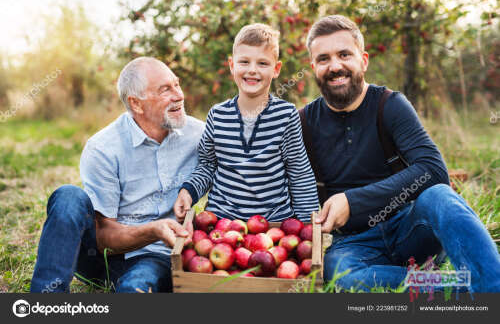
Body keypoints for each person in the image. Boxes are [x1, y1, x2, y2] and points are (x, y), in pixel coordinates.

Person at [303, 15, 500, 292]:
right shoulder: (302, 122)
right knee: (344, 277)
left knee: (440, 196)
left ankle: (493, 290)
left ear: (364, 60)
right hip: (354, 244)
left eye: (344, 54)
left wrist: (353, 201)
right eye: (323, 59)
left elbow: (433, 170)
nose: (335, 66)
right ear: (313, 67)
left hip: (409, 228)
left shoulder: (389, 104)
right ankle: (462, 289)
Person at [30, 57, 204, 293]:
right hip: (101, 255)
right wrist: (152, 230)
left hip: (155, 257)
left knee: (136, 287)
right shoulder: (103, 147)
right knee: (68, 196)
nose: (179, 95)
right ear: (136, 104)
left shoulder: (199, 135)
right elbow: (103, 237)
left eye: (177, 84)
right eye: (165, 90)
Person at [174, 24, 319, 223]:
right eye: (244, 62)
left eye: (262, 63)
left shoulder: (286, 116)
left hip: (274, 225)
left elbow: (299, 171)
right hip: (222, 224)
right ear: (232, 65)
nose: (252, 70)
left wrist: (308, 226)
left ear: (276, 69)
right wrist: (188, 191)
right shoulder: (217, 115)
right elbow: (207, 165)